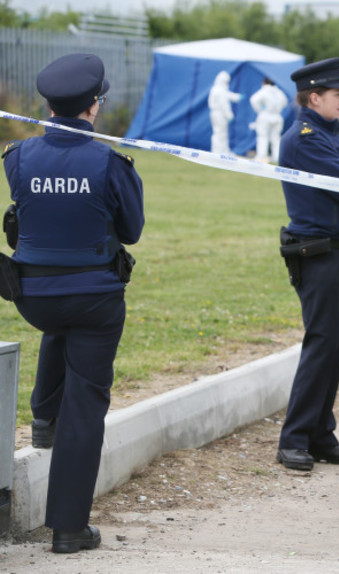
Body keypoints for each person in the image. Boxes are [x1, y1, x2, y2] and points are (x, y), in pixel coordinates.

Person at [2, 53, 144, 553]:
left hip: (33, 297)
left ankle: (43, 416)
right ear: (94, 107)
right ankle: (68, 527)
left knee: (60, 324)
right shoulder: (109, 163)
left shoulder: (16, 157)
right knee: (86, 404)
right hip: (94, 299)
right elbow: (132, 230)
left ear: (49, 105)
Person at [276, 58, 339, 471]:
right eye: (337, 95)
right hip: (318, 253)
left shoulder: (327, 137)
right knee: (322, 343)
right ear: (314, 97)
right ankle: (294, 438)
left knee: (336, 344)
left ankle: (320, 432)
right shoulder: (305, 139)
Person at [249, 78, 288, 163]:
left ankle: (262, 156)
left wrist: (260, 110)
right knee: (276, 138)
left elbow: (253, 100)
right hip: (277, 117)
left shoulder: (264, 91)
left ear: (264, 83)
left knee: (263, 137)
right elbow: (285, 102)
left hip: (265, 116)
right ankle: (277, 157)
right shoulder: (279, 92)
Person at [208, 70, 241, 154]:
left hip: (217, 113)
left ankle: (223, 151)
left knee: (220, 133)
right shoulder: (219, 90)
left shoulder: (216, 89)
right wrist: (229, 115)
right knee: (220, 133)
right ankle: (218, 152)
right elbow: (224, 104)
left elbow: (228, 95)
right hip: (220, 114)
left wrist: (237, 97)